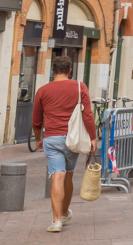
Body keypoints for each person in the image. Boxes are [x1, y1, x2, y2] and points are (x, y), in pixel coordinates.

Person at [31, 54, 96, 234]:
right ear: (69, 71)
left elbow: (36, 120)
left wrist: (38, 139)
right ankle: (65, 212)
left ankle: (56, 220)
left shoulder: (43, 90)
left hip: (51, 138)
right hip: (72, 138)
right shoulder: (79, 87)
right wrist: (92, 137)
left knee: (56, 176)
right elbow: (88, 115)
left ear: (52, 71)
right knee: (68, 176)